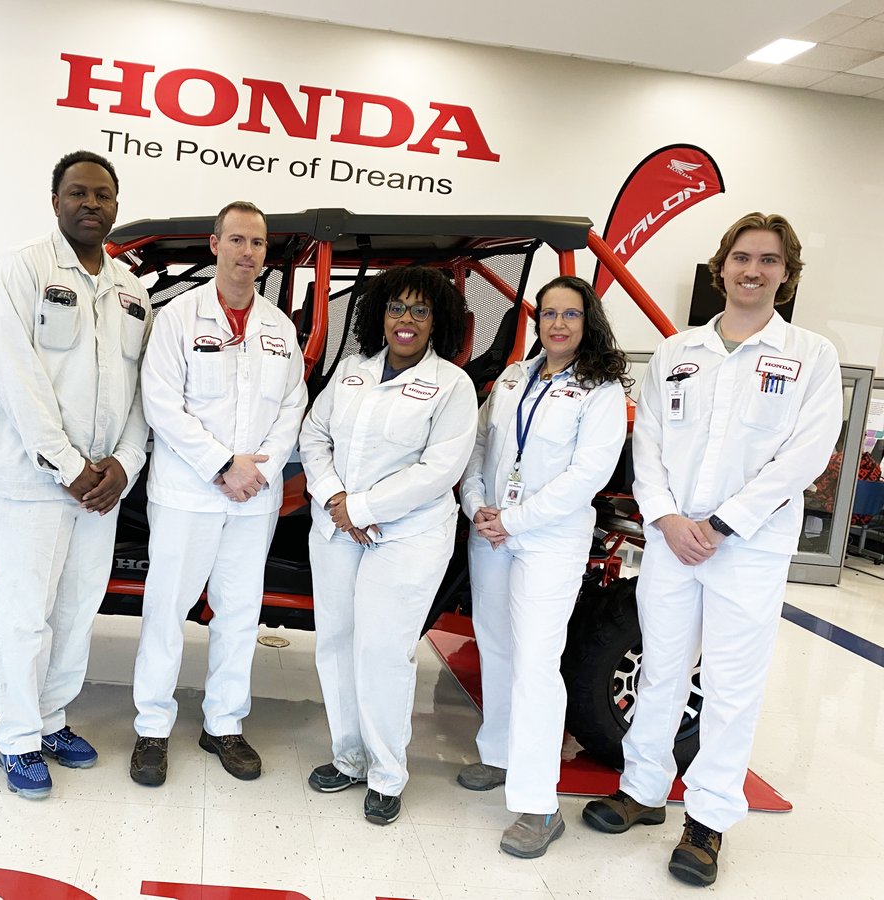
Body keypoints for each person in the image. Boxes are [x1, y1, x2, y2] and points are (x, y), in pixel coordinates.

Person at [582, 213, 843, 886]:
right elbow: (651, 448)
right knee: (661, 668)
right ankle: (642, 791)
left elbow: (804, 457)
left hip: (748, 548)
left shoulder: (811, 356)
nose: (752, 270)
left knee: (730, 684)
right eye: (741, 258)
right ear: (720, 267)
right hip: (671, 542)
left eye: (768, 260)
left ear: (787, 274)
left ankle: (708, 820)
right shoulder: (678, 353)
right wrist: (667, 518)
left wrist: (724, 524)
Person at [0, 150, 151, 799]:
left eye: (102, 195)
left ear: (115, 205)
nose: (90, 204)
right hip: (32, 480)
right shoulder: (22, 270)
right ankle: (18, 739)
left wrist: (124, 466)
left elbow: (142, 395)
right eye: (77, 193)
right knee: (26, 612)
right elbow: (14, 377)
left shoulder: (132, 290)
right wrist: (71, 465)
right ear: (55, 202)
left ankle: (51, 720)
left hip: (100, 490)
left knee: (77, 610)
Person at [131, 201, 306, 786]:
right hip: (188, 493)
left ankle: (224, 724)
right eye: (236, 240)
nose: (246, 253)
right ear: (214, 245)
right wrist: (221, 465)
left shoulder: (279, 329)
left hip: (252, 498)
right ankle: (152, 728)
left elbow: (292, 407)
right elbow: (161, 404)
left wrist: (257, 469)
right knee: (166, 610)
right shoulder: (179, 318)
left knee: (239, 612)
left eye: (256, 244)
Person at [456, 275, 629, 856]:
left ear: (589, 322)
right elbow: (477, 446)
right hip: (493, 532)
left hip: (547, 539)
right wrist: (477, 505)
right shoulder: (513, 376)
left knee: (535, 661)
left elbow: (589, 475)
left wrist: (517, 519)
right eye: (549, 313)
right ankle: (501, 754)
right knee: (497, 646)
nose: (558, 324)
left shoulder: (599, 389)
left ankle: (539, 805)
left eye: (571, 315)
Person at [299, 266, 477, 825]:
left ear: (437, 322)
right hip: (336, 527)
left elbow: (438, 468)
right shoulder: (352, 371)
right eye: (397, 307)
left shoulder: (453, 384)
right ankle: (348, 756)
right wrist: (334, 499)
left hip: (407, 535)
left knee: (381, 649)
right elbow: (314, 435)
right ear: (380, 314)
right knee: (336, 641)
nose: (406, 319)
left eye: (420, 311)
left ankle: (386, 772)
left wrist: (363, 507)